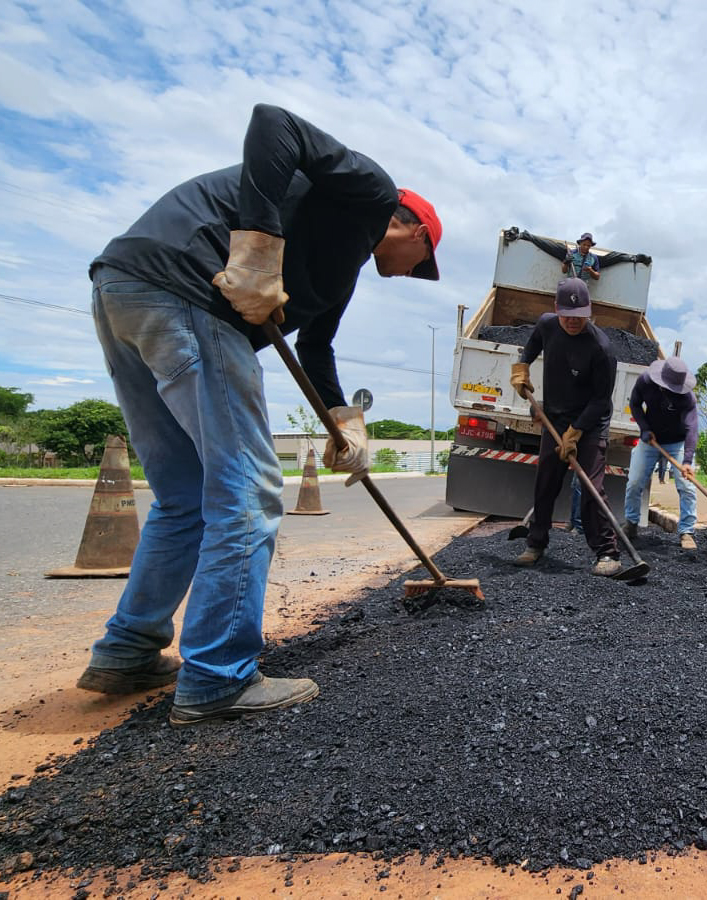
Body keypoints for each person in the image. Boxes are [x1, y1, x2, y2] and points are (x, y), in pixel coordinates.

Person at [76, 104, 443, 726]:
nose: (416, 274)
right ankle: (219, 676)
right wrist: (255, 248)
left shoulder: (340, 264)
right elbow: (275, 124)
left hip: (127, 290)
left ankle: (127, 651)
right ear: (412, 227)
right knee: (247, 492)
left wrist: (345, 421)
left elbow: (315, 348)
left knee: (184, 497)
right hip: (188, 293)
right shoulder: (369, 189)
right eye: (423, 261)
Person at [510, 277, 621, 575]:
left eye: (580, 317)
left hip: (591, 422)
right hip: (554, 418)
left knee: (591, 487)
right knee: (545, 481)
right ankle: (536, 543)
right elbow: (532, 345)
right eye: (568, 316)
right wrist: (522, 368)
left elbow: (601, 400)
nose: (573, 322)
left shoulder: (601, 349)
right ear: (556, 309)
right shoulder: (547, 325)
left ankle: (608, 553)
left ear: (590, 311)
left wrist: (577, 432)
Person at [623, 357, 699, 550]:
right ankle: (631, 524)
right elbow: (635, 404)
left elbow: (692, 429)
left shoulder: (687, 398)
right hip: (651, 440)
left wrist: (688, 460)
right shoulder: (645, 382)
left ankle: (687, 531)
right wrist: (644, 428)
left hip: (677, 442)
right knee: (634, 481)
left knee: (687, 486)